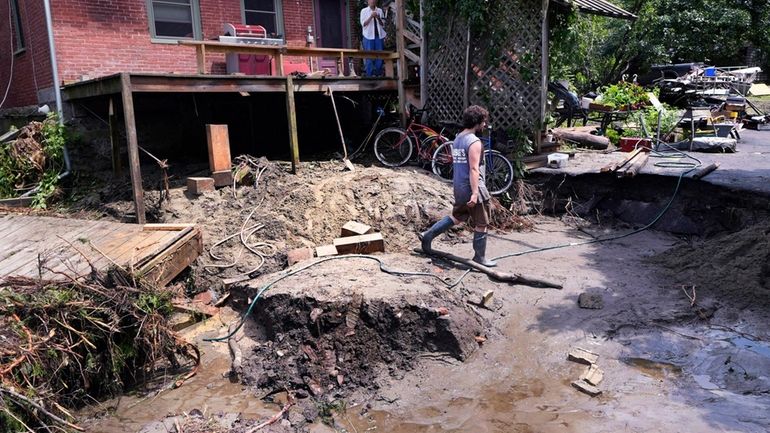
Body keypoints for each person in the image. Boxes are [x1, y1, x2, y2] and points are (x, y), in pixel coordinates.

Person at [419, 105, 496, 267]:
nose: (485, 124)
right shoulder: (474, 142)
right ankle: (479, 258)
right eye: (483, 121)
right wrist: (475, 193)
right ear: (478, 121)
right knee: (481, 223)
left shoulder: (458, 138)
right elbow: (474, 169)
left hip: (459, 186)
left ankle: (428, 234)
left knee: (458, 216)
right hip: (473, 187)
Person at [360, 0, 386, 77]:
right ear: (368, 1)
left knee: (380, 56)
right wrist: (371, 16)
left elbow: (383, 24)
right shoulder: (364, 11)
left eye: (374, 0)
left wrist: (378, 17)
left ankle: (378, 74)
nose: (372, 1)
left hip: (379, 36)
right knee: (369, 56)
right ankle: (369, 75)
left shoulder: (380, 10)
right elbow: (363, 24)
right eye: (371, 0)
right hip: (368, 36)